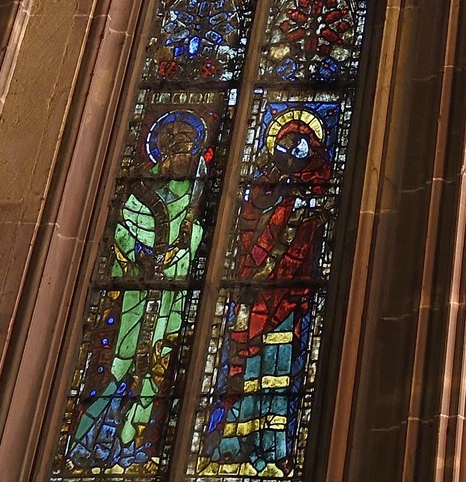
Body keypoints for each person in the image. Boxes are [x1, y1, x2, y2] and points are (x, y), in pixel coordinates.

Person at [67, 110, 208, 468]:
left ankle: (135, 443)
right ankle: (88, 441)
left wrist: (187, 237)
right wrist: (138, 259)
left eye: (190, 153)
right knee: (118, 365)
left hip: (165, 299)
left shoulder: (190, 195)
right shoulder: (140, 192)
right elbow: (123, 233)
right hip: (133, 296)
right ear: (165, 153)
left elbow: (191, 241)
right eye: (181, 152)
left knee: (153, 368)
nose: (187, 159)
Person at [201, 106, 332, 471]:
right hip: (254, 288)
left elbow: (311, 237)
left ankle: (273, 448)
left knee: (280, 367)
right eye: (285, 145)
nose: (290, 154)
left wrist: (304, 211)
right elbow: (247, 223)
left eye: (299, 146)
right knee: (243, 362)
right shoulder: (265, 185)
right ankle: (231, 442)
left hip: (287, 297)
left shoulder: (316, 188)